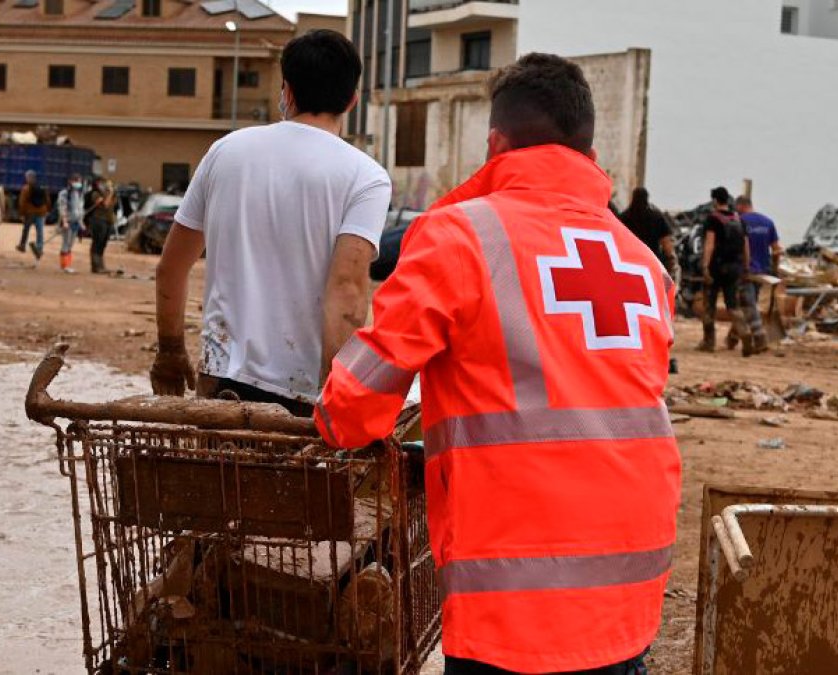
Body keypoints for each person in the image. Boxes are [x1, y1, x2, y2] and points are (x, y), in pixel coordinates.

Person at [315, 53, 680, 674]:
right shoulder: (643, 263)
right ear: (589, 149)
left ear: (495, 143)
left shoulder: (459, 235)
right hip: (630, 582)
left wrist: (332, 421)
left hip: (518, 594)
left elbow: (355, 405)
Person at [150, 29, 390, 416]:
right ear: (352, 100)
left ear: (287, 92)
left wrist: (171, 350)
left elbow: (171, 268)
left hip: (220, 381)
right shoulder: (366, 176)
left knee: (215, 477)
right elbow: (347, 290)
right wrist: (337, 395)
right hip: (303, 394)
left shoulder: (225, 152)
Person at [699, 186, 753, 355]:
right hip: (735, 268)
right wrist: (746, 266)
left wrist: (705, 266)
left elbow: (709, 244)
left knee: (709, 305)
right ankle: (745, 332)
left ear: (715, 201)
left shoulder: (713, 219)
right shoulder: (739, 219)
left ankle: (709, 341)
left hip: (716, 267)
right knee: (733, 305)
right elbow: (746, 246)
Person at [731, 195, 783, 354]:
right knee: (747, 303)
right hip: (762, 271)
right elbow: (776, 249)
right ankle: (732, 338)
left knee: (748, 304)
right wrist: (774, 268)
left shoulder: (739, 222)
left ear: (740, 206)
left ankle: (760, 338)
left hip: (745, 270)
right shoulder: (768, 222)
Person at [619, 187, 681, 284]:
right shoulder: (657, 217)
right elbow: (666, 242)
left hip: (629, 263)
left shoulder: (624, 217)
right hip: (651, 262)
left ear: (632, 198)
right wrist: (670, 258)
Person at [83, 177, 117, 275]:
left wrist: (113, 194)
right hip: (98, 220)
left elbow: (112, 205)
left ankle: (101, 265)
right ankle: (95, 266)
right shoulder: (95, 194)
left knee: (103, 243)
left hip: (108, 221)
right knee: (97, 242)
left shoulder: (108, 194)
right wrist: (109, 194)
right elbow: (105, 204)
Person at [17, 170, 51, 262]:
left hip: (30, 212)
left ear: (28, 178)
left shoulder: (25, 189)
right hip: (41, 212)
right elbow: (47, 200)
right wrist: (47, 210)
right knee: (40, 231)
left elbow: (22, 203)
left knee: (26, 229)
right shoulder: (42, 187)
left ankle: (22, 245)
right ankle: (39, 248)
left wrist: (22, 214)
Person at [56, 173, 86, 274]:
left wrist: (81, 222)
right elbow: (62, 207)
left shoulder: (79, 194)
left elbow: (80, 209)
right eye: (77, 181)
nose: (79, 183)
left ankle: (68, 264)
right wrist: (64, 221)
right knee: (66, 243)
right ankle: (65, 265)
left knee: (71, 244)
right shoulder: (64, 193)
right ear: (71, 182)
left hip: (76, 222)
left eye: (80, 181)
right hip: (67, 222)